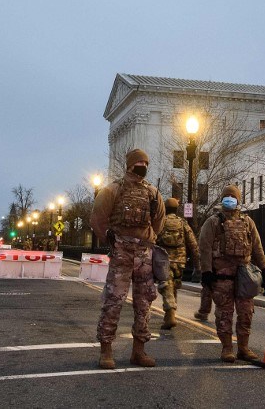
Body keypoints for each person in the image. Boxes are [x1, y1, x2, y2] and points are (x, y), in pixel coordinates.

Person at [91, 148, 166, 369]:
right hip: (121, 253)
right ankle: (106, 350)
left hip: (144, 254)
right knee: (113, 301)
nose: (143, 165)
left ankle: (139, 351)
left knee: (145, 304)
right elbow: (97, 218)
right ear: (130, 164)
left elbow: (159, 221)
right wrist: (111, 240)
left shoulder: (153, 193)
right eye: (139, 162)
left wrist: (147, 238)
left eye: (146, 162)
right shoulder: (113, 190)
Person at [198, 185, 265, 363]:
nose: (230, 198)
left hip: (244, 276)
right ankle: (227, 348)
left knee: (246, 313)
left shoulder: (248, 222)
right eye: (227, 196)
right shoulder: (213, 221)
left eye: (233, 196)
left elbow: (257, 247)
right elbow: (204, 247)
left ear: (239, 199)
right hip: (221, 277)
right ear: (222, 199)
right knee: (224, 314)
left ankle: (243, 348)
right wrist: (206, 271)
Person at [155, 197, 199, 329]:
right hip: (180, 261)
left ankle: (170, 314)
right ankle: (170, 314)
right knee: (173, 286)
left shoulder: (161, 222)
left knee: (166, 286)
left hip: (164, 260)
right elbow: (193, 244)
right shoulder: (182, 223)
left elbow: (153, 239)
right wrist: (197, 265)